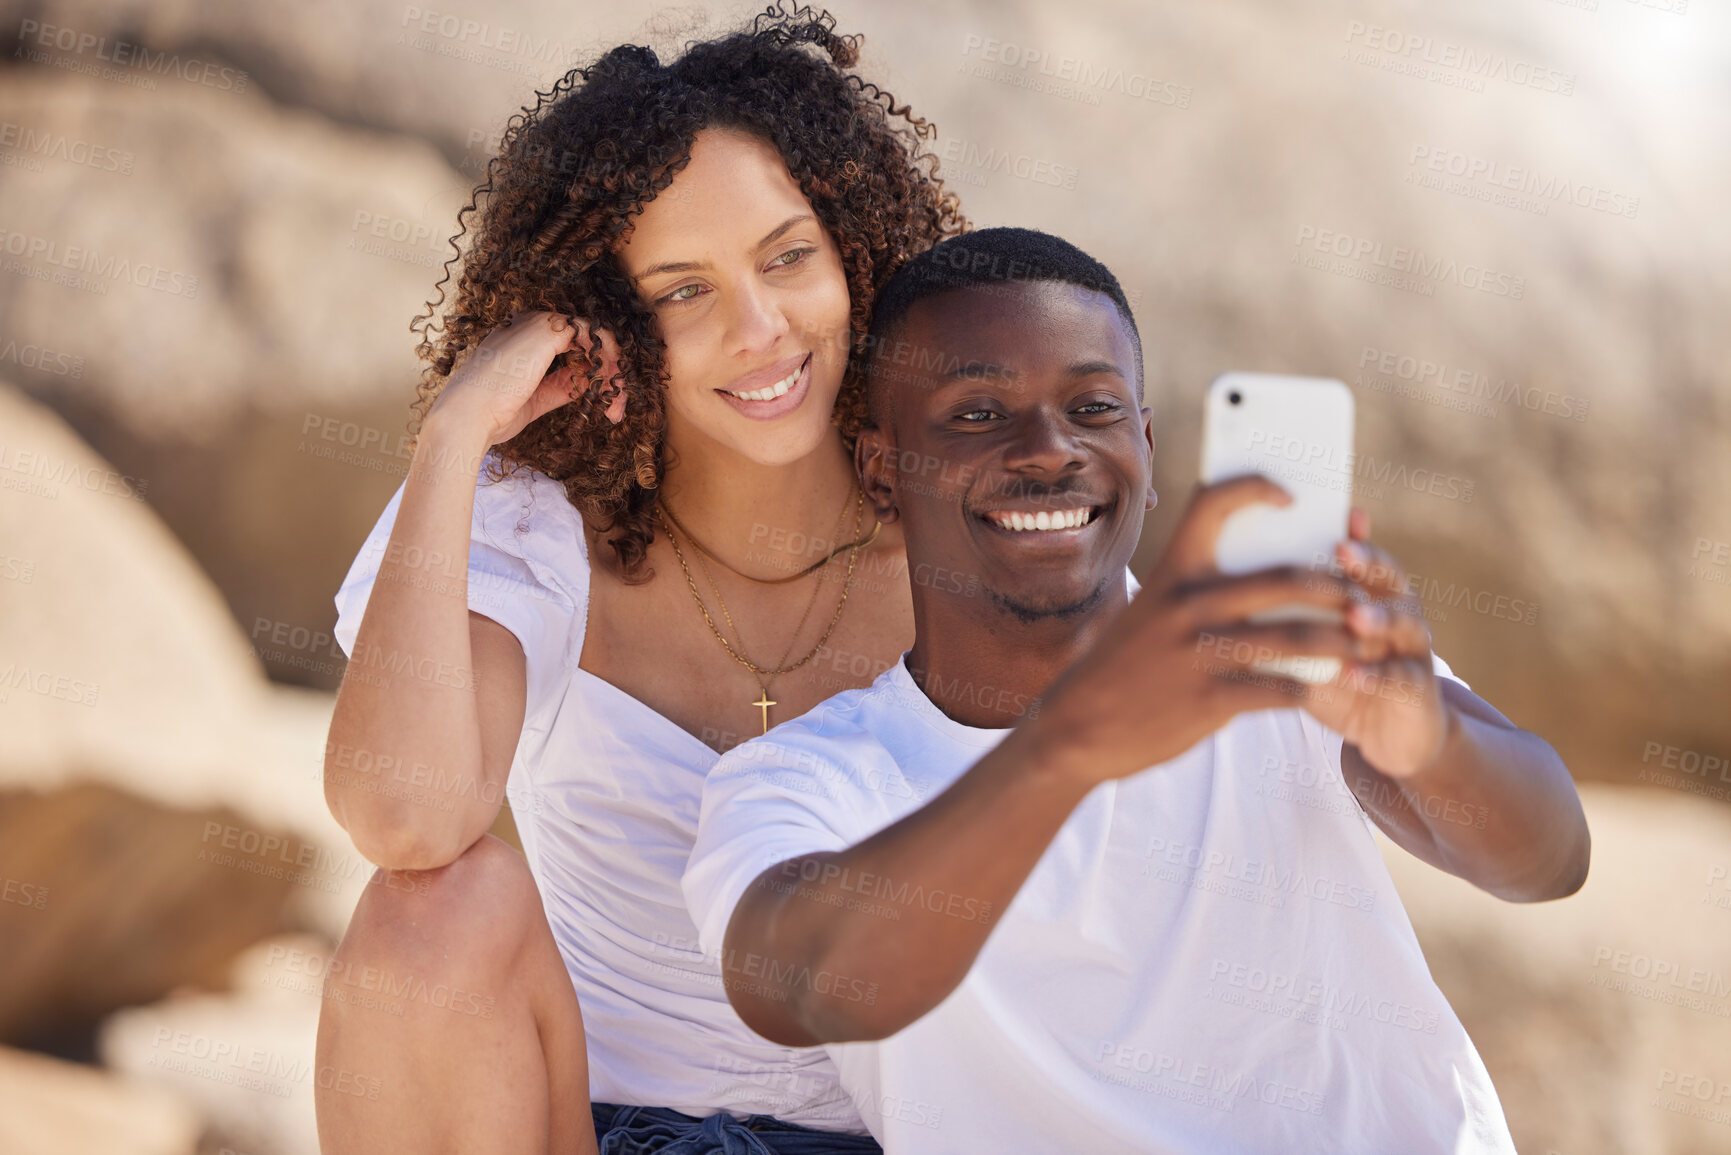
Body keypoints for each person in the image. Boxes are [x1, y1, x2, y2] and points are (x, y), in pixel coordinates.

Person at [683, 228, 1592, 1152]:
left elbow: (1549, 860)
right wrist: (1072, 743)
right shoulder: (803, 777)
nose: (1049, 450)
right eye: (975, 414)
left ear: (1146, 451)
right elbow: (807, 987)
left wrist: (1428, 741)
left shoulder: (1278, 662)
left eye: (1092, 406)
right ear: (883, 471)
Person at [314, 7, 966, 1152]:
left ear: (857, 250)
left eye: (787, 257)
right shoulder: (538, 516)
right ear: (605, 324)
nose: (760, 330)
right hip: (601, 1128)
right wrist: (455, 434)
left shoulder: (964, 516)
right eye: (683, 291)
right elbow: (405, 819)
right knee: (434, 917)